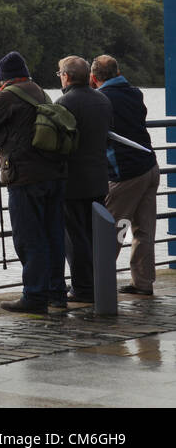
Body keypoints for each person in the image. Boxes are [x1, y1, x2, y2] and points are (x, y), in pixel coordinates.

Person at [0, 51, 67, 313]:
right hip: (55, 174)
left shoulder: (8, 95)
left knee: (29, 238)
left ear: (3, 79)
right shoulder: (39, 91)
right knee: (53, 235)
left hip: (26, 177)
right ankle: (56, 293)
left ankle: (35, 296)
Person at [92, 55, 160, 295]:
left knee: (112, 230)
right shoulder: (135, 93)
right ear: (117, 71)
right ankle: (143, 283)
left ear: (94, 77)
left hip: (126, 173)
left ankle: (99, 285)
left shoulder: (102, 99)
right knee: (144, 230)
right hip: (150, 167)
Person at [54, 55, 112, 303]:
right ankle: (99, 283)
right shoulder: (103, 99)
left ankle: (82, 288)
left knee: (74, 237)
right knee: (94, 234)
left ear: (66, 76)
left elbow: (58, 143)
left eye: (60, 74)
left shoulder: (64, 103)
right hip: (98, 177)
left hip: (73, 181)